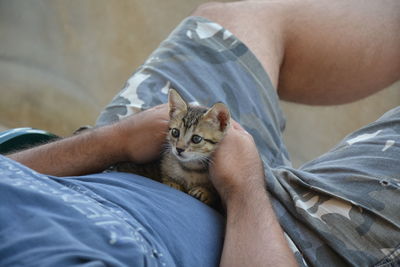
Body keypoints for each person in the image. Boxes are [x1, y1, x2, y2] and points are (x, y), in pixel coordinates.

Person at [2, 0, 399, 266]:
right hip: (261, 239)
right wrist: (244, 191)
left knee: (243, 12)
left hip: (117, 162)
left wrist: (114, 140)